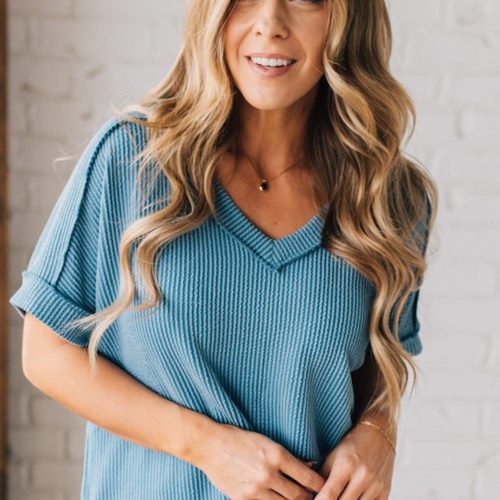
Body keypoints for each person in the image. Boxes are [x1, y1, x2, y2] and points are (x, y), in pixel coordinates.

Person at [10, 0, 438, 499]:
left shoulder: (390, 198)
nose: (270, 24)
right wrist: (207, 447)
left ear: (348, 21)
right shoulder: (132, 162)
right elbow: (45, 353)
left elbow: (380, 370)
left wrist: (379, 434)